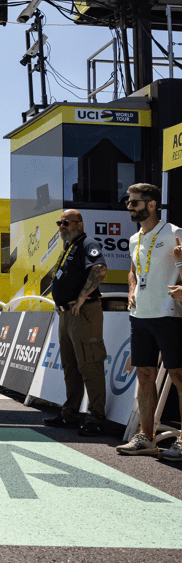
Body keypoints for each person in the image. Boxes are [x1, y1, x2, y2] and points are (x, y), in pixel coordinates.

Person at [116, 183, 182, 459]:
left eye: (134, 202)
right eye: (128, 202)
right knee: (144, 375)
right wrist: (131, 290)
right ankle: (146, 438)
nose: (129, 207)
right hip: (140, 315)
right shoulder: (135, 238)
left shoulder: (175, 232)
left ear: (152, 204)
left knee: (179, 376)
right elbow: (133, 270)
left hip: (168, 314)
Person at [43, 210, 108, 436]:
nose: (61, 226)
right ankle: (70, 413)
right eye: (59, 223)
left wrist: (81, 297)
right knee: (70, 366)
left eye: (66, 223)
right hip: (65, 314)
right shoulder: (69, 246)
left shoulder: (88, 243)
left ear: (79, 224)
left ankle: (96, 418)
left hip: (82, 312)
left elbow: (99, 268)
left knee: (89, 365)